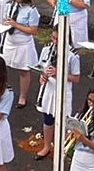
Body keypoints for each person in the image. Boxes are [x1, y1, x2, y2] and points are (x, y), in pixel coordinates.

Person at [34, 26, 81, 160]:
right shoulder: (46, 50)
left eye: (58, 39)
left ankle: (62, 148)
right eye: (53, 38)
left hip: (63, 91)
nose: (55, 42)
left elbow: (76, 78)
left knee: (63, 121)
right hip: (48, 90)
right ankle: (47, 146)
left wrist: (59, 73)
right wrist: (42, 76)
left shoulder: (72, 56)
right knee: (48, 118)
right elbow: (42, 68)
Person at [0, 0, 40, 109]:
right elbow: (5, 20)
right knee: (3, 67)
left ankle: (23, 96)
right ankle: (2, 91)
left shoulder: (31, 10)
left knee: (23, 70)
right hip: (10, 40)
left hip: (23, 43)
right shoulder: (9, 5)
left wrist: (16, 25)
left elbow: (33, 31)